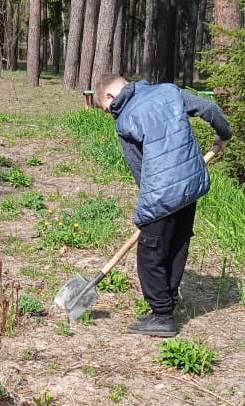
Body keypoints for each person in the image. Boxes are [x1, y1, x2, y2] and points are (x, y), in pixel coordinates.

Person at [94, 74, 232, 337]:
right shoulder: (169, 92)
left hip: (161, 193)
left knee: (151, 254)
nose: (109, 113)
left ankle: (161, 316)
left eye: (105, 108)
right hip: (190, 186)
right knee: (177, 243)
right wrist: (224, 134)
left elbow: (139, 169)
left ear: (110, 97)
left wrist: (148, 208)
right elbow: (209, 108)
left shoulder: (125, 120)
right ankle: (169, 302)